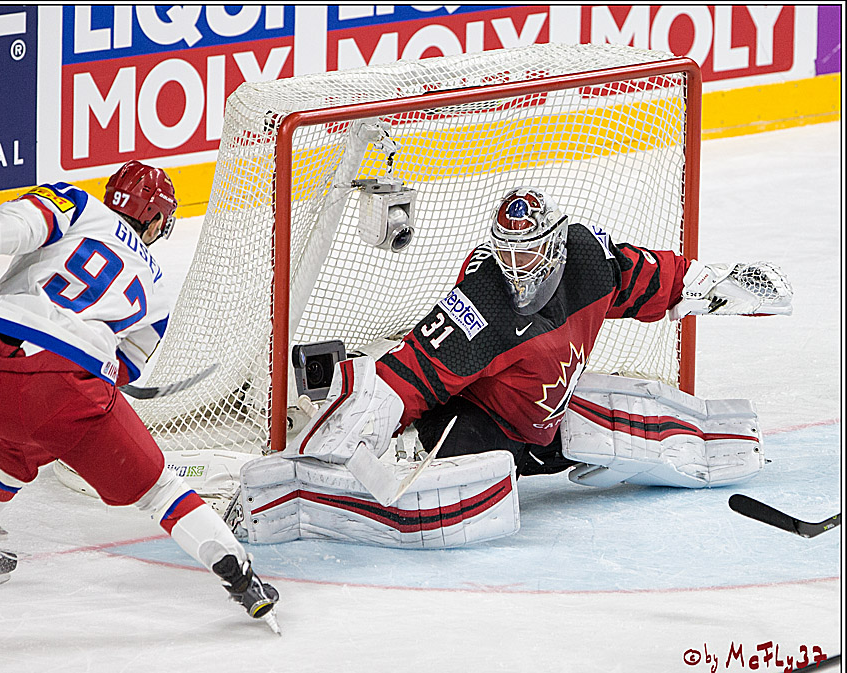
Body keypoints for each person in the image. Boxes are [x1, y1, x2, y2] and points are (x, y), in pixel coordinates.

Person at [229, 186, 793, 548]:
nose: (517, 268)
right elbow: (407, 377)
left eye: (528, 254)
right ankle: (326, 489)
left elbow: (655, 281)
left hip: (545, 427)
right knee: (458, 485)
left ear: (555, 246)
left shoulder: (590, 262)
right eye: (507, 255)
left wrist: (721, 285)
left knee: (612, 422)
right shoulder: (482, 304)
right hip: (475, 424)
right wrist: (327, 453)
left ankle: (709, 436)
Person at [0, 161, 281, 632]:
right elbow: (127, 367)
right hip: (64, 389)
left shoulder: (78, 204)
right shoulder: (157, 289)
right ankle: (241, 577)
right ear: (157, 220)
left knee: (10, 455)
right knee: (159, 489)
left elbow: (17, 225)